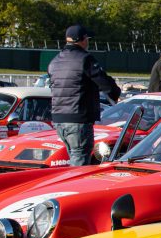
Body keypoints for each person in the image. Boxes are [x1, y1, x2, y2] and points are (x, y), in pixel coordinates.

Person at [47, 24, 121, 167]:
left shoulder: (55, 61)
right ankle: (75, 188)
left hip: (58, 118)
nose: (88, 42)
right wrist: (116, 94)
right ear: (81, 40)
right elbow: (104, 82)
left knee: (74, 155)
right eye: (87, 39)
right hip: (78, 118)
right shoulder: (84, 59)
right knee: (80, 159)